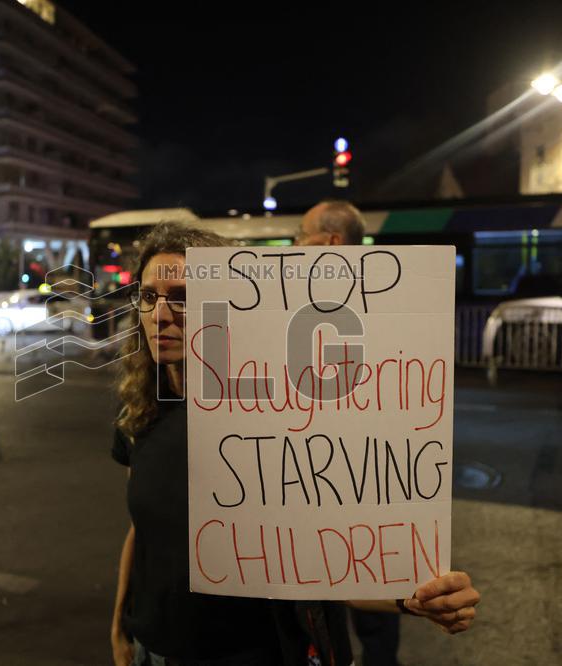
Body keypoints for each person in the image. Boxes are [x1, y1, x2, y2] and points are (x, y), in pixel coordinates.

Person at [110, 222, 480, 666]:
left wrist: (415, 598)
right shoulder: (139, 413)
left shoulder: (274, 415)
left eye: (183, 297)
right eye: (149, 296)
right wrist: (119, 626)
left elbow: (322, 559)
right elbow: (142, 529)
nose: (160, 315)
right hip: (153, 653)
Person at [295, 199, 401, 665]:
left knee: (365, 588)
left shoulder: (361, 301)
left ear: (332, 242)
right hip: (337, 471)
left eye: (302, 237)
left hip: (355, 472)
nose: (295, 247)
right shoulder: (388, 297)